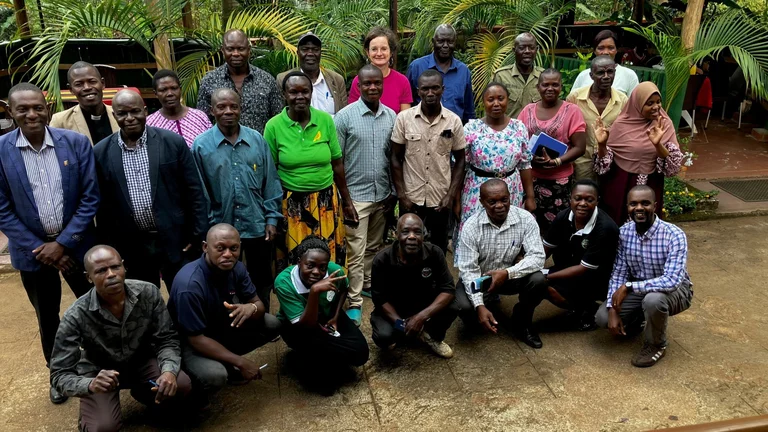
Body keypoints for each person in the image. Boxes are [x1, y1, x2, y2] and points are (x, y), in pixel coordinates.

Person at [0, 83, 99, 404]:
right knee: (48, 317)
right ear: (10, 112)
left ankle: (99, 363)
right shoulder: (0, 151)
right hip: (34, 255)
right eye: (22, 109)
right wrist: (43, 249)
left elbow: (90, 197)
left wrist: (64, 243)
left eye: (37, 107)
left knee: (93, 307)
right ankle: (59, 374)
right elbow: (2, 209)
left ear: (48, 107)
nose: (31, 114)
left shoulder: (76, 144)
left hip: (78, 247)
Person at [50, 246, 192, 431]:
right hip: (99, 374)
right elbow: (59, 375)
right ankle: (92, 412)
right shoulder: (75, 315)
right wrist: (90, 384)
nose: (111, 274)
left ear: (124, 267)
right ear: (88, 277)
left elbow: (167, 338)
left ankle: (147, 396)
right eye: (101, 271)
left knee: (180, 384)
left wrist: (169, 371)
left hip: (141, 362)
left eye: (115, 267)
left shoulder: (148, 293)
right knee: (104, 427)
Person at [93, 90, 208, 290]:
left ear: (145, 111)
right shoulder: (101, 152)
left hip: (176, 240)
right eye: (122, 113)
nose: (129, 118)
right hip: (132, 246)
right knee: (142, 301)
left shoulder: (172, 142)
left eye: (135, 111)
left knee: (185, 294)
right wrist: (110, 246)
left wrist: (197, 234)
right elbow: (103, 205)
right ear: (114, 116)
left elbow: (194, 191)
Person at [192, 88, 282, 310]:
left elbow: (270, 182)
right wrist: (208, 227)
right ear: (212, 110)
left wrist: (271, 219)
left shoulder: (256, 140)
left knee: (261, 275)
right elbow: (200, 192)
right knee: (222, 275)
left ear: (241, 108)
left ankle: (261, 317)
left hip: (256, 223)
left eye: (233, 106)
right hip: (221, 224)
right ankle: (228, 319)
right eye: (221, 107)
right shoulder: (201, 146)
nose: (228, 111)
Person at [169, 224, 281, 399]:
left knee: (271, 323)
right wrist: (241, 362)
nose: (228, 254)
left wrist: (250, 307)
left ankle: (223, 360)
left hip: (218, 329)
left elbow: (259, 305)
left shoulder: (237, 268)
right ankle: (192, 395)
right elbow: (196, 339)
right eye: (220, 248)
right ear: (205, 247)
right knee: (215, 375)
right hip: (190, 343)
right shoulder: (190, 285)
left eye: (234, 248)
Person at [264, 71, 358, 271]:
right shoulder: (273, 126)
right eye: (293, 92)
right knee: (297, 260)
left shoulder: (325, 121)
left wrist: (347, 202)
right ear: (284, 95)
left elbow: (337, 163)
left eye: (305, 91)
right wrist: (272, 212)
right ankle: (297, 300)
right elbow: (270, 172)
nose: (300, 97)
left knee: (328, 257)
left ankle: (331, 299)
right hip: (292, 206)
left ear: (311, 92)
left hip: (326, 202)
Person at [595, 186, 693, 367]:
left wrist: (629, 287)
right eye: (633, 204)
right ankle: (638, 323)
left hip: (676, 291)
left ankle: (657, 345)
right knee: (602, 317)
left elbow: (671, 280)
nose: (639, 208)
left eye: (645, 203)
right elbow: (619, 272)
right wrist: (612, 307)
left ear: (655, 206)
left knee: (653, 301)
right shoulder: (624, 232)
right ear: (627, 207)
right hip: (640, 289)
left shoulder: (674, 235)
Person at [334, 65, 397, 326]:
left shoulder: (391, 116)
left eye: (377, 83)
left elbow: (393, 157)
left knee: (373, 246)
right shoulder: (345, 117)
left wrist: (392, 192)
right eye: (367, 84)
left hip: (381, 194)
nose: (372, 88)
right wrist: (345, 200)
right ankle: (355, 301)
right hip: (356, 197)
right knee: (356, 252)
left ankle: (368, 283)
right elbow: (336, 161)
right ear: (358, 86)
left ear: (382, 85)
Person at [455, 179, 548, 348]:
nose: (499, 206)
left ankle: (522, 322)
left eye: (504, 200)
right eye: (492, 201)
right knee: (464, 307)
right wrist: (479, 305)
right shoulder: (471, 227)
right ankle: (482, 310)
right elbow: (469, 270)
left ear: (510, 197)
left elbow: (538, 257)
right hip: (480, 278)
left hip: (510, 276)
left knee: (538, 280)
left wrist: (507, 273)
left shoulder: (525, 219)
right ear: (482, 202)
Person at [458, 81, 535, 264]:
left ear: (507, 100)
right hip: (477, 190)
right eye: (490, 99)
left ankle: (502, 277)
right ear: (483, 102)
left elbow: (525, 164)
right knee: (477, 231)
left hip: (511, 189)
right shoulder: (471, 128)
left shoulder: (519, 127)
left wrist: (530, 196)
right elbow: (460, 164)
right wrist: (455, 198)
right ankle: (472, 278)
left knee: (507, 232)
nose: (496, 103)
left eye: (501, 98)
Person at [391, 70, 466, 253]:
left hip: (440, 198)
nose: (430, 93)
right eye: (425, 89)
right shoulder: (404, 118)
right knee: (407, 247)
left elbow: (461, 160)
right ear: (418, 91)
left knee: (438, 247)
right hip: (411, 196)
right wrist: (402, 195)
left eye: (435, 88)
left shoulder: (453, 121)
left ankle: (435, 281)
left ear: (443, 89)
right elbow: (395, 157)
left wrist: (450, 195)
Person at [274, 236, 369, 372]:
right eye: (310, 265)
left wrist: (336, 316)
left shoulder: (334, 271)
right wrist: (314, 291)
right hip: (298, 325)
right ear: (299, 262)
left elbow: (343, 289)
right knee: (323, 383)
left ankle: (323, 354)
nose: (317, 272)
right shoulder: (284, 282)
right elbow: (306, 324)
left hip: (326, 314)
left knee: (361, 354)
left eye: (322, 267)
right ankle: (300, 357)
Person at [593, 82, 684, 224]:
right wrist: (601, 144)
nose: (656, 107)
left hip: (651, 184)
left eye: (658, 102)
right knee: (617, 222)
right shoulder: (621, 124)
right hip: (621, 184)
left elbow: (673, 167)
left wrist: (657, 144)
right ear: (637, 104)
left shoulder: (664, 124)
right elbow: (603, 165)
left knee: (646, 225)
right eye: (649, 103)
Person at [370, 214, 458, 358]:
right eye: (405, 232)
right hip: (394, 310)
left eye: (417, 232)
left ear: (424, 235)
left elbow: (448, 289)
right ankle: (408, 333)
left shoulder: (435, 253)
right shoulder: (382, 259)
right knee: (383, 337)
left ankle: (431, 336)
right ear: (396, 234)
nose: (412, 237)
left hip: (424, 306)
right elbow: (379, 299)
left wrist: (421, 317)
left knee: (453, 305)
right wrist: (401, 324)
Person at [542, 180, 619, 330]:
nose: (582, 203)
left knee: (546, 286)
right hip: (570, 267)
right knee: (535, 282)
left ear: (597, 201)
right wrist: (530, 268)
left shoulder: (605, 228)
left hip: (596, 277)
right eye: (578, 198)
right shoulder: (563, 217)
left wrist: (546, 277)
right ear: (570, 199)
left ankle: (588, 310)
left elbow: (585, 269)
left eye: (589, 199)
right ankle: (580, 306)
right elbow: (545, 249)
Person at [518, 69, 587, 233]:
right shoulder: (527, 110)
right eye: (545, 84)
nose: (550, 88)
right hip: (530, 179)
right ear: (538, 87)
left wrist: (557, 161)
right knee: (529, 224)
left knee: (558, 226)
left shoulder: (572, 111)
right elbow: (517, 142)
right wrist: (530, 158)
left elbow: (580, 147)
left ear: (561, 87)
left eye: (555, 84)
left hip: (559, 182)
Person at [197, 29, 283, 133]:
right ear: (223, 50)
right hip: (222, 147)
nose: (236, 53)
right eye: (230, 49)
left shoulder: (267, 80)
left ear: (249, 50)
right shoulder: (209, 81)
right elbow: (202, 122)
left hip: (259, 146)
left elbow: (278, 120)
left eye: (241, 49)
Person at [566, 56, 628, 181]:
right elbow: (566, 131)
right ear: (591, 75)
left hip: (610, 164)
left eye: (610, 72)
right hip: (581, 164)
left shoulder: (623, 101)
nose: (606, 76)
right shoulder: (575, 98)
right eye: (600, 72)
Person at [406, 24, 475, 124]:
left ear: (455, 42)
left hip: (454, 132)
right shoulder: (417, 67)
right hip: (422, 132)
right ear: (433, 41)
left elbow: (469, 111)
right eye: (441, 41)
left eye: (450, 42)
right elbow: (408, 104)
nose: (445, 45)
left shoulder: (463, 71)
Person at [276, 32, 348, 116]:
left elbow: (344, 115)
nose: (310, 53)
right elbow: (280, 115)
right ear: (298, 53)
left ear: (320, 53)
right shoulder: (284, 79)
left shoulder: (336, 80)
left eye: (315, 49)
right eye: (305, 49)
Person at [50, 62, 119, 145]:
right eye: (79, 84)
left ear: (102, 83)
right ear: (71, 89)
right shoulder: (60, 121)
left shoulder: (120, 115)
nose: (87, 87)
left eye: (92, 81)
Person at [348, 26, 413, 114]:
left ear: (391, 52)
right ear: (368, 52)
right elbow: (352, 114)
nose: (379, 53)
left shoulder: (402, 81)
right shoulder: (358, 81)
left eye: (384, 49)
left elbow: (405, 119)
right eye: (374, 49)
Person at [147, 69, 212, 148]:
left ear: (180, 89)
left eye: (174, 88)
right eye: (163, 90)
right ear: (155, 93)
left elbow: (212, 146)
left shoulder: (200, 117)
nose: (170, 94)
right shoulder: (150, 124)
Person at [569, 30, 639, 97]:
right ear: (594, 51)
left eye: (611, 48)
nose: (606, 52)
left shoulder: (629, 75)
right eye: (601, 48)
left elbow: (634, 105)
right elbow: (571, 103)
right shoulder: (583, 75)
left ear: (616, 50)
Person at [492, 33, 544, 117]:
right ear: (514, 50)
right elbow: (491, 109)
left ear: (536, 49)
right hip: (509, 129)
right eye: (522, 48)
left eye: (531, 48)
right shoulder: (501, 76)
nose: (527, 51)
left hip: (535, 129)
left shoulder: (543, 77)